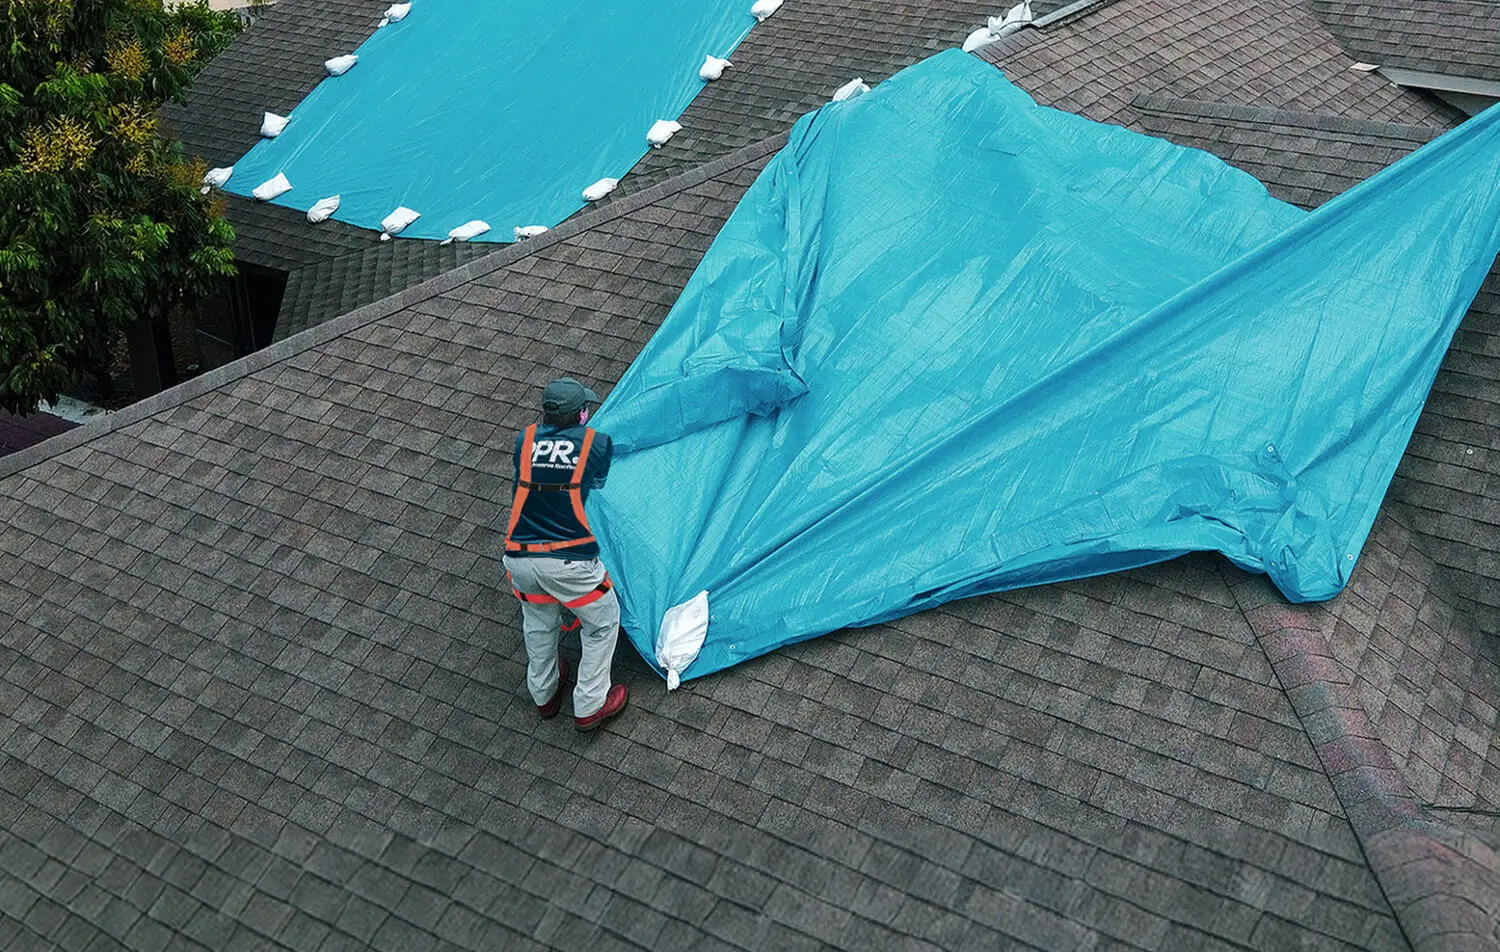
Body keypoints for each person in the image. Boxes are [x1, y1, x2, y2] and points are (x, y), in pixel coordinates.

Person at [502, 377, 628, 732]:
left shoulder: (524, 440)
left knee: (540, 622)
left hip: (519, 557)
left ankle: (544, 694)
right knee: (602, 622)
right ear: (581, 414)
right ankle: (590, 704)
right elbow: (597, 482)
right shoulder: (596, 443)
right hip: (567, 560)